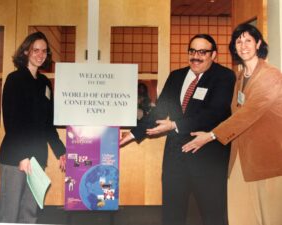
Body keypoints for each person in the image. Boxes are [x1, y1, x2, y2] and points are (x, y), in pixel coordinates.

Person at [120, 34, 236, 225]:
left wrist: (175, 125)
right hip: (175, 158)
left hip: (207, 157)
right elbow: (160, 110)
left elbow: (215, 113)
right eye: (192, 51)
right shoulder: (176, 76)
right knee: (172, 214)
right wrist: (133, 134)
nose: (196, 56)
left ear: (213, 55)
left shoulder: (224, 76)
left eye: (202, 52)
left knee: (213, 215)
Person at [182, 24, 282, 225]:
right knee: (240, 214)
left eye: (248, 40)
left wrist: (210, 135)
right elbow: (234, 112)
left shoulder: (271, 76)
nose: (243, 45)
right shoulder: (239, 77)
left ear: (258, 44)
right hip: (240, 156)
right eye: (238, 41)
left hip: (266, 158)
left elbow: (248, 113)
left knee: (270, 216)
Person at [0, 31, 66, 223]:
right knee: (9, 213)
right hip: (15, 158)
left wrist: (60, 150)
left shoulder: (45, 83)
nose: (40, 54)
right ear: (26, 52)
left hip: (37, 158)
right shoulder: (15, 79)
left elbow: (47, 124)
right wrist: (22, 156)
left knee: (30, 213)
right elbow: (12, 121)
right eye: (35, 50)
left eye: (44, 51)